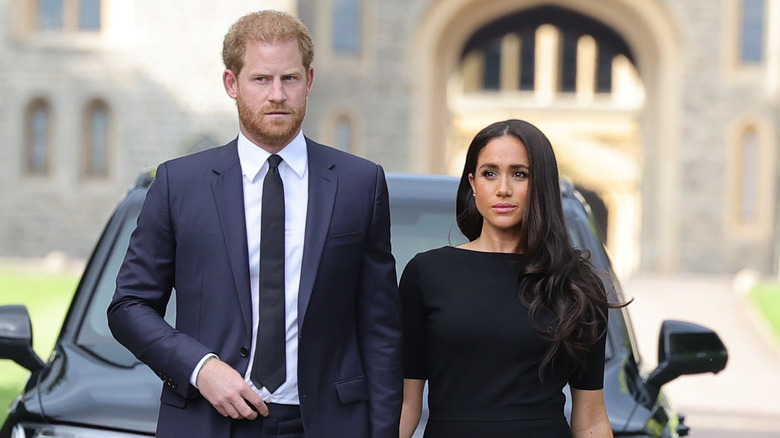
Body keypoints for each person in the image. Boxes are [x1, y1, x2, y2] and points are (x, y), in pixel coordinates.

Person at [107, 10, 402, 438]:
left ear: (310, 81)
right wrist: (200, 368)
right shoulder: (179, 183)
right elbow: (129, 306)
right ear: (232, 83)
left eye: (290, 79)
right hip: (208, 420)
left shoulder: (360, 183)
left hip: (324, 424)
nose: (278, 94)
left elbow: (381, 329)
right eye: (261, 79)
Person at [399, 119, 614, 438]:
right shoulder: (426, 273)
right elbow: (405, 403)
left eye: (519, 174)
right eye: (490, 173)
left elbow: (592, 418)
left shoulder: (575, 284)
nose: (503, 188)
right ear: (473, 184)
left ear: (540, 183)